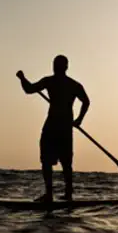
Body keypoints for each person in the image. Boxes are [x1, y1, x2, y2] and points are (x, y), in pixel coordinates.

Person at [17, 55, 90, 203]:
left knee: (59, 161)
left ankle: (59, 194)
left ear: (63, 67)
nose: (54, 67)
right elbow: (30, 89)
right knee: (58, 161)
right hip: (62, 126)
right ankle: (60, 194)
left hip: (56, 126)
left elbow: (29, 89)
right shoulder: (69, 84)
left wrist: (22, 78)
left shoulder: (57, 82)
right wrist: (79, 120)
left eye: (56, 64)